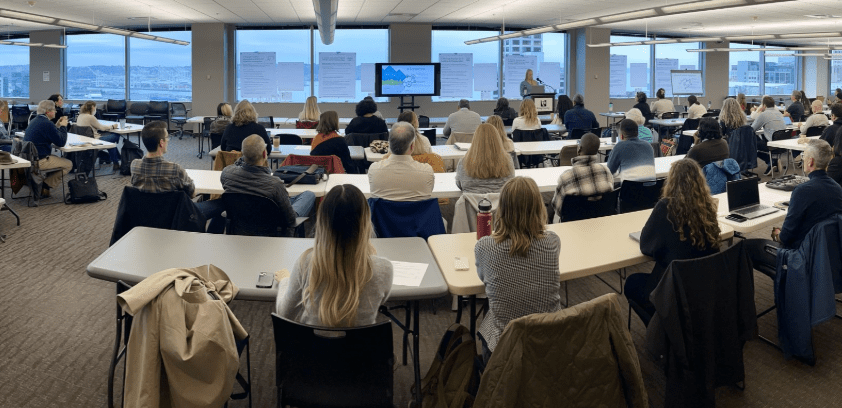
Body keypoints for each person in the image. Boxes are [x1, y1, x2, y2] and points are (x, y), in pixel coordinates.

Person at [275, 183, 393, 327]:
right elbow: (380, 300)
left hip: (312, 342)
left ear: (322, 222)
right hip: (361, 342)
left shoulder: (306, 262)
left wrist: (284, 281)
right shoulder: (384, 268)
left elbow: (284, 313)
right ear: (365, 222)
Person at [475, 176, 562, 363]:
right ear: (539, 207)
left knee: (490, 313)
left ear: (502, 209)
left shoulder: (485, 246)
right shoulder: (552, 242)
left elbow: (484, 279)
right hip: (548, 340)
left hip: (504, 347)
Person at [623, 158, 721, 322]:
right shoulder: (708, 207)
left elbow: (646, 246)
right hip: (703, 287)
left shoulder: (665, 207)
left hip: (671, 290)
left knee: (632, 283)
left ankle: (662, 329)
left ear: (671, 182)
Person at [745, 139, 842, 273]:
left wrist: (777, 234)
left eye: (804, 156)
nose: (802, 159)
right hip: (828, 256)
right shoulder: (838, 189)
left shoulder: (802, 191)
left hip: (801, 257)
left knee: (746, 246)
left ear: (810, 162)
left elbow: (786, 237)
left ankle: (784, 281)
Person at [131, 121, 226, 233]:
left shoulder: (134, 166)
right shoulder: (174, 169)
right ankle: (209, 236)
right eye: (167, 137)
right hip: (177, 217)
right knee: (223, 203)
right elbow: (191, 193)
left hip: (146, 217)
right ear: (161, 143)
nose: (168, 140)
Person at [221, 134, 316, 234]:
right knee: (309, 194)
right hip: (272, 232)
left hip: (240, 228)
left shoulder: (227, 174)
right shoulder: (275, 184)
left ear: (242, 154)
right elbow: (291, 220)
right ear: (264, 154)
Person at [368, 122, 434, 201]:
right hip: (417, 209)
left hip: (383, 209)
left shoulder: (374, 169)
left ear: (389, 144)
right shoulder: (427, 171)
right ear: (412, 146)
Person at [551, 133, 614, 216]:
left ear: (579, 149)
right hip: (602, 220)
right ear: (597, 151)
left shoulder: (566, 177)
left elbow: (558, 210)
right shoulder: (606, 171)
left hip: (574, 222)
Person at [22, 100, 72, 197]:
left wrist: (57, 125)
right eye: (54, 110)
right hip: (39, 160)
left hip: (29, 158)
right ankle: (45, 185)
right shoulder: (47, 123)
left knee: (56, 160)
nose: (56, 111)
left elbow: (50, 133)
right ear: (48, 112)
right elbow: (61, 142)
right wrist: (63, 127)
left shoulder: (35, 120)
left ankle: (43, 186)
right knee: (68, 164)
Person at [455, 123, 514, 194]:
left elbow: (459, 184)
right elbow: (511, 183)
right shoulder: (508, 160)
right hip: (500, 200)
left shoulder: (464, 162)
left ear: (475, 140)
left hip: (471, 200)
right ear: (497, 139)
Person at [75, 100, 122, 171]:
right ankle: (117, 160)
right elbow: (102, 128)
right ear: (93, 107)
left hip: (84, 140)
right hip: (94, 140)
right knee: (116, 136)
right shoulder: (91, 117)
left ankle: (114, 161)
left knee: (111, 144)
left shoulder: (80, 116)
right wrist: (112, 126)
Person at [606, 119, 655, 183]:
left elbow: (609, 171)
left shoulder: (619, 147)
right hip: (651, 188)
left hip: (630, 188)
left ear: (621, 135)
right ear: (637, 133)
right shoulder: (648, 146)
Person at [752, 96, 787, 175]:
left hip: (772, 144)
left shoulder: (764, 114)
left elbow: (752, 129)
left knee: (752, 145)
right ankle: (773, 161)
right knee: (759, 139)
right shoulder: (779, 113)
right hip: (783, 144)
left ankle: (771, 161)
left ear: (764, 105)